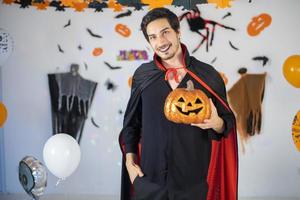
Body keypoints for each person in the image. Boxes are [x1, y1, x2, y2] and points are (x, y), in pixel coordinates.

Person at [119, 7, 238, 200]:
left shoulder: (207, 75)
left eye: (165, 32)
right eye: (153, 37)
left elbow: (227, 124)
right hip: (148, 181)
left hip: (193, 184)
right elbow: (131, 123)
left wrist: (217, 123)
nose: (161, 42)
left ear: (178, 32)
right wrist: (129, 162)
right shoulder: (143, 75)